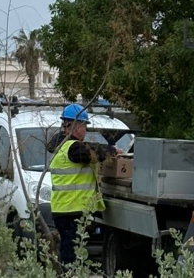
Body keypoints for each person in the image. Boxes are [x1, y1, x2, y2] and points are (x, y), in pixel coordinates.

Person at [46, 103, 121, 267]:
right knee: (71, 256)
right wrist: (112, 150)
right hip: (72, 210)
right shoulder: (72, 148)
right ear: (74, 126)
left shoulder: (60, 145)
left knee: (70, 252)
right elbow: (93, 154)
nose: (86, 130)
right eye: (84, 125)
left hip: (63, 208)